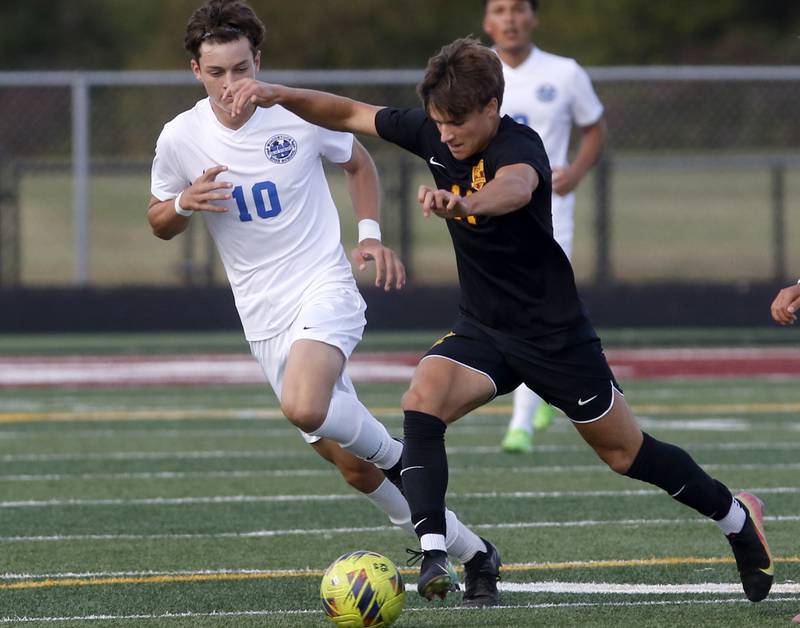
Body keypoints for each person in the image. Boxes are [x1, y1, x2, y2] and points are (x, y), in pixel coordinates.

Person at [226, 36, 775, 606]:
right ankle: (437, 550)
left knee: (626, 454)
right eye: (438, 122)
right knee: (422, 399)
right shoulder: (435, 133)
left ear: (492, 105)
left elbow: (515, 190)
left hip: (554, 337)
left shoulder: (520, 146)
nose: (446, 135)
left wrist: (464, 203)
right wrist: (275, 93)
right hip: (484, 330)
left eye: (457, 122)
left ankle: (736, 516)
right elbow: (346, 112)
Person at [147, 0, 495, 604]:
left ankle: (399, 452)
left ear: (259, 60)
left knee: (306, 406)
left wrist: (367, 237)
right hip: (263, 317)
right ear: (195, 72)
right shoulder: (180, 137)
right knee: (356, 469)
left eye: (242, 67)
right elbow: (158, 220)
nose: (233, 84)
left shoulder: (295, 114)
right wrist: (183, 204)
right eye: (218, 72)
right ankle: (474, 553)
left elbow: (358, 163)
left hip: (322, 286)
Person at [483, 0, 607, 454]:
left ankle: (520, 424)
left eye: (518, 9)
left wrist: (576, 170)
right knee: (507, 309)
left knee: (535, 306)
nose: (510, 18)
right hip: (492, 213)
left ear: (533, 18)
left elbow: (593, 127)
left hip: (550, 212)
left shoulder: (565, 72)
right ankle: (538, 395)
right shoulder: (479, 72)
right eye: (500, 9)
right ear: (486, 21)